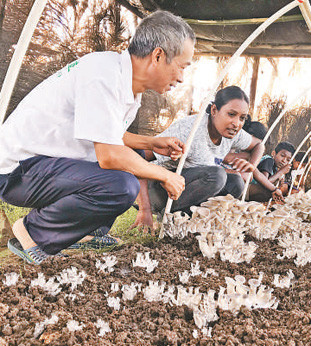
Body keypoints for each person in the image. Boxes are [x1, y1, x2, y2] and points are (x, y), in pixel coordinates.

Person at [0, 10, 196, 264]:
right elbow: (109, 154)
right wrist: (164, 174)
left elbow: (107, 134)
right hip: (17, 171)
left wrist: (151, 142)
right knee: (122, 184)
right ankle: (34, 233)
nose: (181, 77)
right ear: (158, 55)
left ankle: (87, 232)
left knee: (131, 158)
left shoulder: (121, 80)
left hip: (42, 165)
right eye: (182, 66)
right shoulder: (103, 76)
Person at [136, 86, 264, 221]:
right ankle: (167, 215)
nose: (236, 123)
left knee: (236, 183)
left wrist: (251, 167)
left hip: (188, 188)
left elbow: (259, 145)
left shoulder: (233, 133)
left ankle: (191, 219)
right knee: (217, 175)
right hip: (159, 188)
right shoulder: (188, 130)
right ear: (214, 110)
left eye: (242, 118)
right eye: (231, 114)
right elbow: (139, 159)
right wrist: (145, 209)